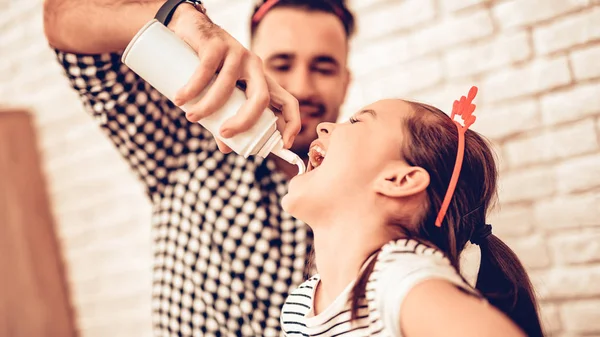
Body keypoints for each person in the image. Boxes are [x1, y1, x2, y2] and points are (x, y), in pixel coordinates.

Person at [43, 0, 354, 336]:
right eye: (281, 63)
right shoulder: (182, 144)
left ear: (346, 82)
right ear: (252, 65)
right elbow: (63, 24)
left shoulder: (369, 197)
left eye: (323, 68)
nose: (303, 87)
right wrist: (179, 17)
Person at [279, 87, 544, 337]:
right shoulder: (298, 308)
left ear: (399, 180)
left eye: (357, 122)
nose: (323, 126)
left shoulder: (398, 280)